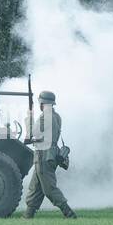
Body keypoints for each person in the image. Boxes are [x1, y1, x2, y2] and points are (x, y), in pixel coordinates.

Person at [22, 90, 76, 218]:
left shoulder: (45, 117)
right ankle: (28, 215)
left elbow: (31, 134)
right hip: (49, 155)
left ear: (43, 103)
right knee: (36, 187)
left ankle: (69, 213)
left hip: (43, 155)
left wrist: (29, 117)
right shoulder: (56, 116)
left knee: (49, 189)